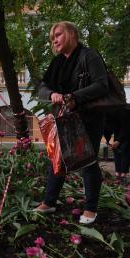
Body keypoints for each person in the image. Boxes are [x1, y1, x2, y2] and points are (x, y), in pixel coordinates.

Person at [34, 21, 109, 224]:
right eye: (53, 38)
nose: (55, 40)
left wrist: (73, 96)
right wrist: (53, 94)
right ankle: (49, 202)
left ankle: (91, 209)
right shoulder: (58, 62)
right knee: (58, 159)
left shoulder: (89, 56)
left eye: (58, 35)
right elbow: (42, 88)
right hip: (65, 118)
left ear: (72, 33)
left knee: (88, 161)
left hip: (89, 117)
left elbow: (102, 85)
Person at [104, 108, 130, 185]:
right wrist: (108, 141)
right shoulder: (104, 116)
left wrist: (118, 141)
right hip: (119, 129)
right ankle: (117, 173)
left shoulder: (122, 113)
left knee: (124, 149)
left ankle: (123, 175)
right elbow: (106, 129)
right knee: (115, 149)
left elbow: (126, 128)